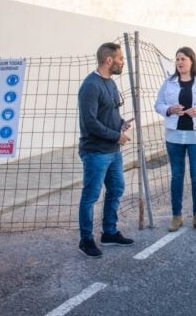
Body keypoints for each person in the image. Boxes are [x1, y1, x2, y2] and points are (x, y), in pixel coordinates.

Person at [77, 42, 135, 258]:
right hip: (96, 152)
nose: (122, 62)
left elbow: (108, 113)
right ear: (109, 60)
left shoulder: (110, 83)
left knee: (117, 189)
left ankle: (109, 233)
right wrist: (116, 136)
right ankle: (86, 240)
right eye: (120, 58)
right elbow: (90, 122)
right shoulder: (90, 86)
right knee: (90, 196)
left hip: (113, 150)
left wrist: (120, 123)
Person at [154, 47, 196, 234]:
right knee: (176, 176)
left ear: (191, 60)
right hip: (174, 135)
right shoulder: (169, 82)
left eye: (183, 59)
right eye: (177, 59)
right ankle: (177, 216)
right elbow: (158, 104)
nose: (179, 62)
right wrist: (169, 109)